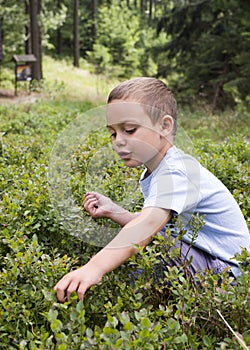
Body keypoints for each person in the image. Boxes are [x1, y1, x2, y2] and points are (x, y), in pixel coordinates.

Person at [54, 77, 250, 302]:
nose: (118, 141)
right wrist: (115, 211)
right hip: (211, 261)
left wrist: (93, 268)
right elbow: (158, 222)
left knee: (157, 248)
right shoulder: (158, 169)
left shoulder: (176, 172)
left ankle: (137, 310)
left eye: (129, 130)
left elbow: (148, 226)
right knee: (157, 241)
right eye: (113, 133)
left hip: (230, 276)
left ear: (164, 126)